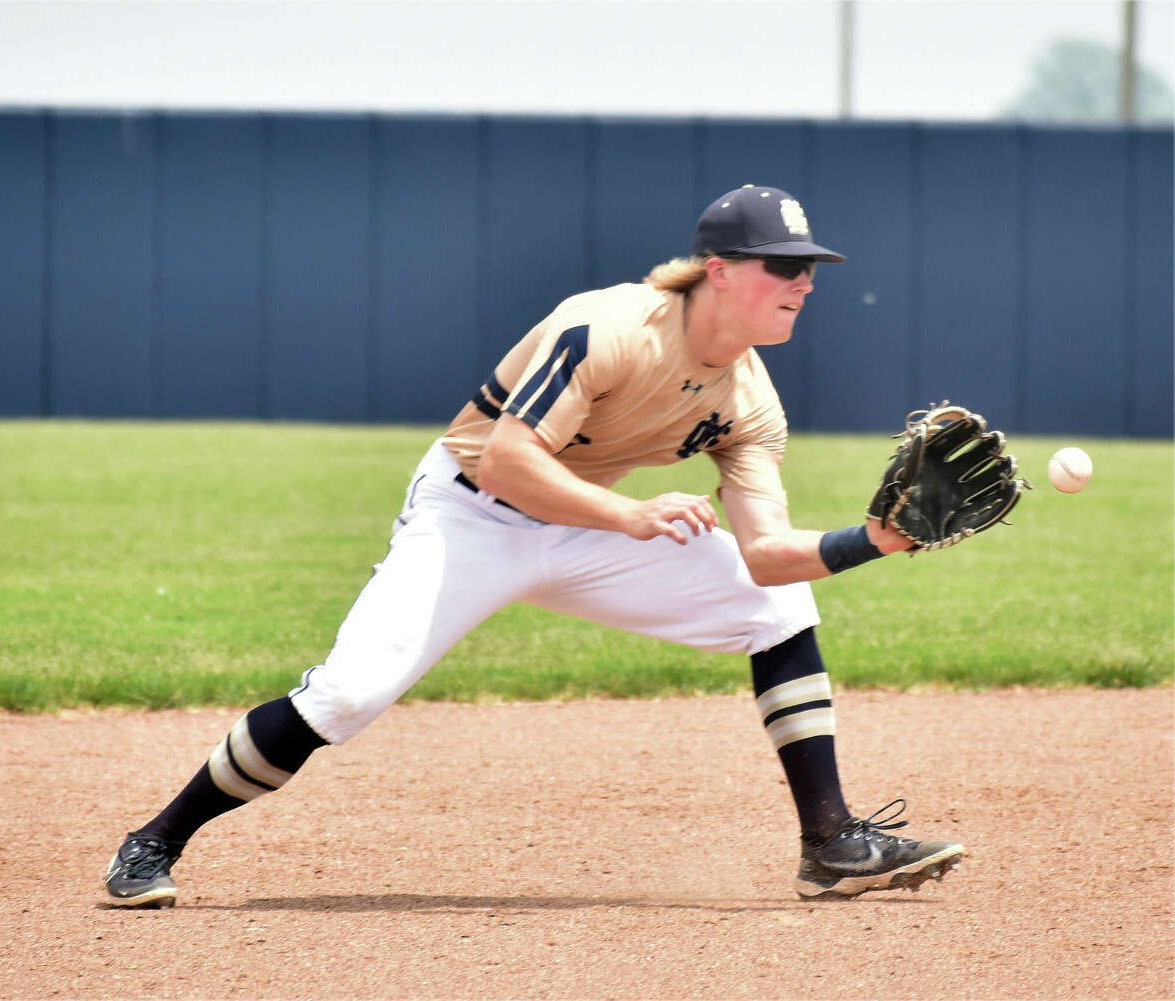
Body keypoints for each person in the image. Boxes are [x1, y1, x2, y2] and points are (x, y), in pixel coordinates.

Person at [105, 184, 963, 908]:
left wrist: (877, 539)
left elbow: (768, 552)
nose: (803, 284)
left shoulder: (750, 399)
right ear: (721, 270)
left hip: (585, 524)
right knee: (349, 695)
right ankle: (151, 844)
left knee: (776, 605)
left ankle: (833, 845)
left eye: (809, 270)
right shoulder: (606, 327)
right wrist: (628, 517)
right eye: (786, 266)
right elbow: (513, 461)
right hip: (471, 513)